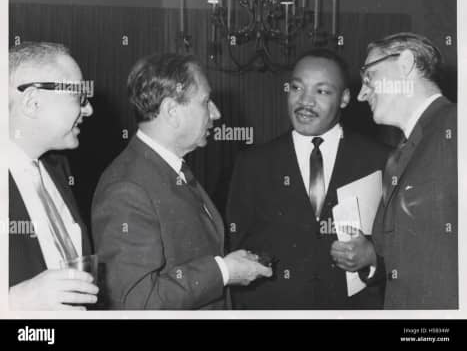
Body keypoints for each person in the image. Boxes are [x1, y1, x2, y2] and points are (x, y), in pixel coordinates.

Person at [91, 53, 271, 310]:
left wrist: (229, 265)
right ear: (171, 111)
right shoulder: (126, 189)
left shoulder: (168, 168)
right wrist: (223, 271)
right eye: (206, 102)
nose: (216, 113)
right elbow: (136, 303)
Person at [226, 49, 389, 309]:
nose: (305, 101)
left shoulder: (381, 160)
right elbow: (235, 246)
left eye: (321, 91)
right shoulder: (252, 163)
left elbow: (404, 251)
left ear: (345, 98)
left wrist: (372, 259)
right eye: (297, 88)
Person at [331, 32, 457, 309]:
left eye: (369, 77)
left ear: (405, 63)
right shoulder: (396, 157)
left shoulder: (457, 125)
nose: (361, 94)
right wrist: (369, 255)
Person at [8, 41, 98, 310]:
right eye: (78, 96)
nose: (88, 109)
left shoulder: (58, 167)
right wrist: (15, 301)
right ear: (33, 102)